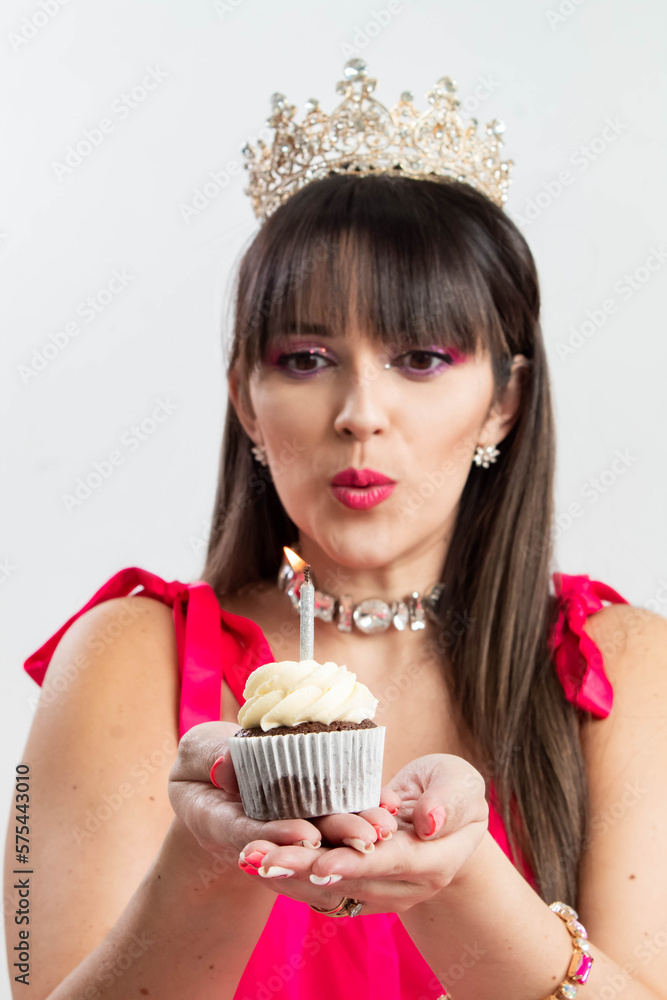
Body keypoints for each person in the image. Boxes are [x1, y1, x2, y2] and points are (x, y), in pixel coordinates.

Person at [7, 62, 667, 1000]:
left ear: (504, 403)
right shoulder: (121, 660)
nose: (361, 411)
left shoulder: (625, 673)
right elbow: (33, 978)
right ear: (244, 396)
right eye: (307, 358)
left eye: (422, 358)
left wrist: (457, 879)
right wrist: (206, 860)